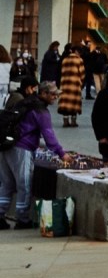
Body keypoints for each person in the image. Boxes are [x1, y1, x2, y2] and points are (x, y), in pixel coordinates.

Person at [0, 78, 66, 230]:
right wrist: (62, 153)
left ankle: (0, 215)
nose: (56, 98)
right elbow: (49, 136)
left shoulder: (26, 103)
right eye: (53, 95)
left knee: (6, 184)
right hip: (22, 149)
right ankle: (22, 219)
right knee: (24, 184)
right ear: (43, 93)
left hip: (6, 146)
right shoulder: (40, 110)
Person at [57, 44, 84, 127]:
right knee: (74, 103)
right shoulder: (79, 60)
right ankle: (73, 121)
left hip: (65, 83)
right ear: (77, 52)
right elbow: (82, 73)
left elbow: (61, 71)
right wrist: (81, 82)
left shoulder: (65, 59)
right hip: (75, 84)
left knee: (65, 103)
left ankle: (65, 121)